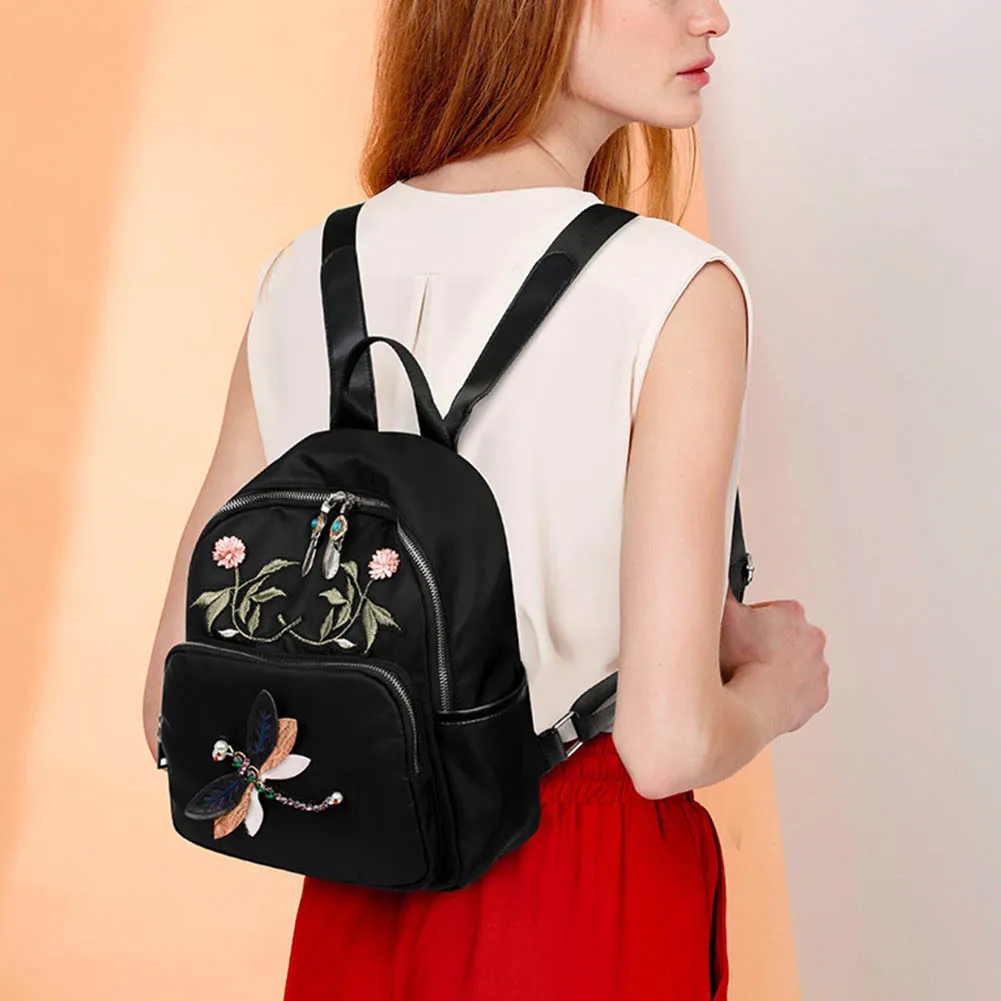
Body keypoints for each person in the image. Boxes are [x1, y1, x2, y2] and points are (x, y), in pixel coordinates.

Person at [143, 0, 830, 997]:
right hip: (575, 887)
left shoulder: (301, 273)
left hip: (359, 883)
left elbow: (169, 702)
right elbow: (664, 741)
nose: (709, 16)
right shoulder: (669, 286)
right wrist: (776, 686)